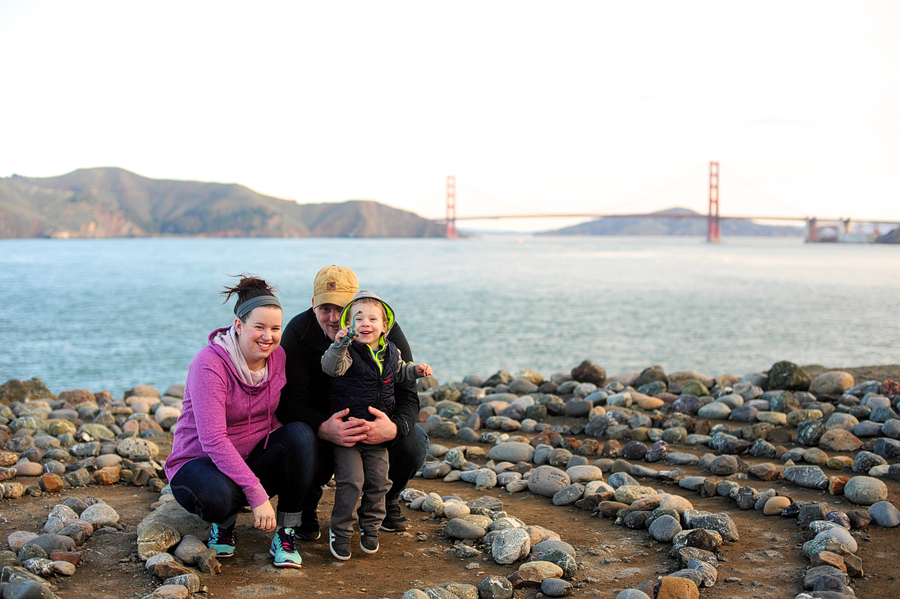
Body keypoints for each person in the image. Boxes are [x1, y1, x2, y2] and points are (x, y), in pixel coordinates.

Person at [164, 276, 317, 569]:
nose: (267, 336)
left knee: (301, 436)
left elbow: (273, 415)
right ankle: (223, 523)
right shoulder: (209, 363)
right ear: (238, 326)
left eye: (275, 328)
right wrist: (257, 493)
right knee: (220, 497)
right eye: (258, 327)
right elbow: (213, 440)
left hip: (249, 456)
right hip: (199, 461)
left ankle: (286, 533)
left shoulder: (278, 357)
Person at [275, 265, 429, 543]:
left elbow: (408, 394)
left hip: (373, 426)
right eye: (325, 309)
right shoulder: (298, 332)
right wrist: (322, 428)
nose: (334, 318)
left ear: (355, 306)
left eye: (341, 308)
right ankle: (306, 505)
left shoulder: (383, 329)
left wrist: (393, 428)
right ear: (313, 306)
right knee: (300, 438)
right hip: (322, 422)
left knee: (414, 440)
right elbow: (287, 403)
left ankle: (388, 500)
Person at [320, 290, 432, 560]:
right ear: (350, 325)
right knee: (351, 482)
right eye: (359, 319)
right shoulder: (347, 351)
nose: (366, 324)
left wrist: (415, 371)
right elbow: (331, 367)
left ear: (385, 326)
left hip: (376, 436)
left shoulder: (390, 352)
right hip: (349, 433)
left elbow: (400, 372)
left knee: (380, 482)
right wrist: (338, 345)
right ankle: (341, 531)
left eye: (373, 319)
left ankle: (370, 526)